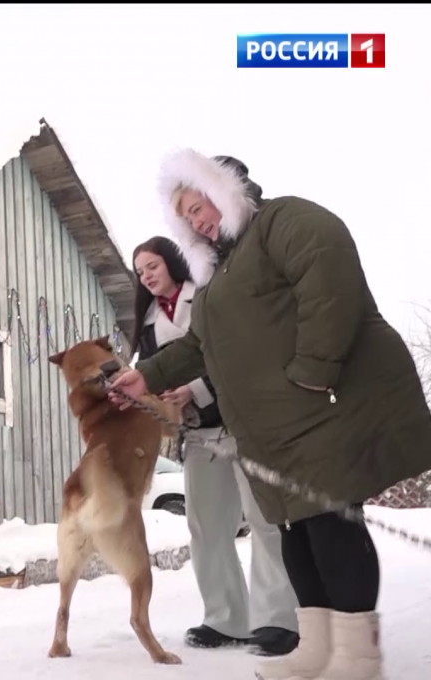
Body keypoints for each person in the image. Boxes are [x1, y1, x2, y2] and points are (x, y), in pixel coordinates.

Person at [110, 150, 431, 680]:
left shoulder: (283, 221)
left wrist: (314, 370)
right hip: (274, 431)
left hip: (320, 411)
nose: (197, 220)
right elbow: (198, 345)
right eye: (186, 216)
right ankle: (319, 647)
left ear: (227, 188)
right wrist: (147, 376)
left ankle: (357, 657)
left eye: (200, 204)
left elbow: (328, 269)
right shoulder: (217, 278)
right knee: (295, 532)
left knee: (329, 527)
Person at [132, 236, 300, 656]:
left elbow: (236, 356)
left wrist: (195, 391)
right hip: (198, 435)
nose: (146, 276)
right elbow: (150, 374)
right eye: (139, 271)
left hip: (241, 424)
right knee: (205, 525)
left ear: (173, 262)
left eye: (151, 265)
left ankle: (279, 621)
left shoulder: (207, 297)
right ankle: (225, 619)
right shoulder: (149, 321)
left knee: (264, 520)